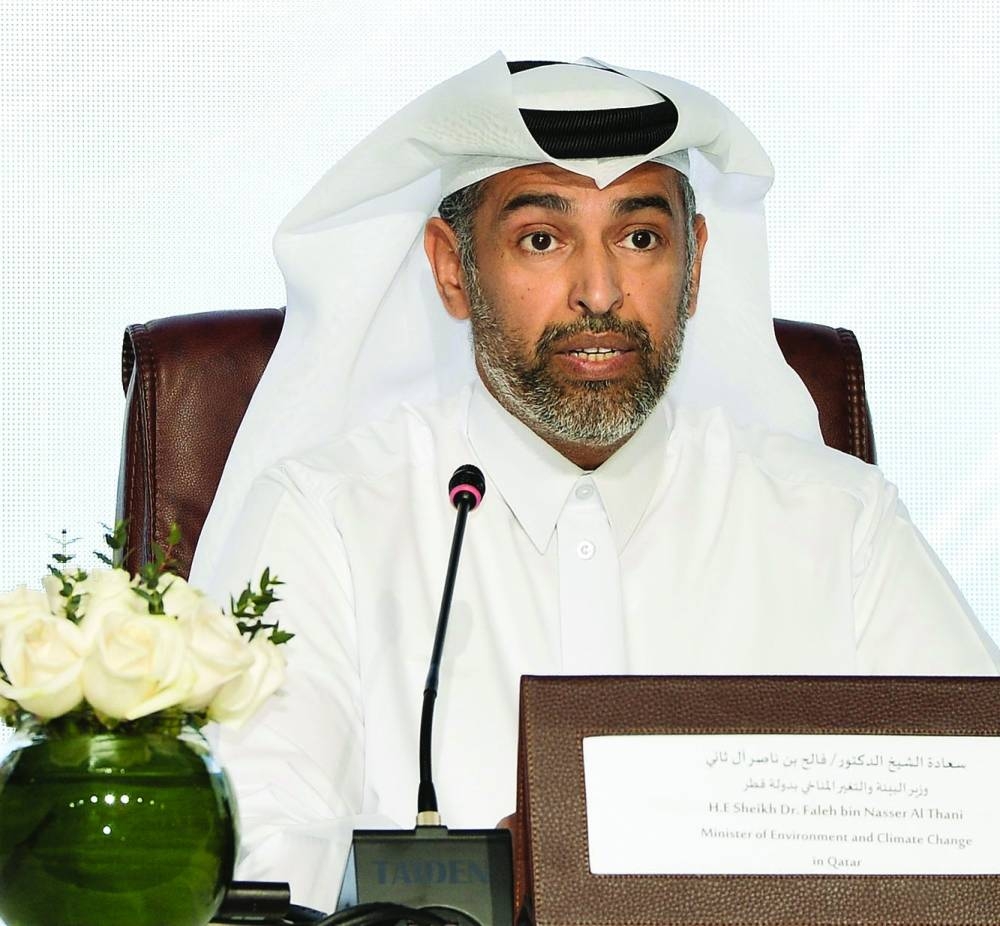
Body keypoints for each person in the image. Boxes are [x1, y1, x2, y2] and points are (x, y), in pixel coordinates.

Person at [191, 56, 999, 912]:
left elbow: (976, 819)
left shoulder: (841, 523)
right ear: (453, 268)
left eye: (640, 238)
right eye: (542, 239)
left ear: (695, 266)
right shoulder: (327, 518)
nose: (601, 292)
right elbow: (258, 852)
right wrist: (491, 886)